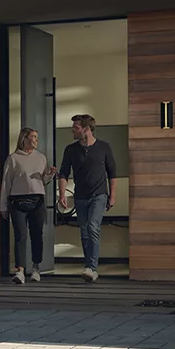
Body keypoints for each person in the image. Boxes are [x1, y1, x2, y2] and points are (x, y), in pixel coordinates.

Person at [57, 114, 117, 283]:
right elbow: (63, 172)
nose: (72, 130)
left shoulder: (104, 147)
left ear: (86, 129)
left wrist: (112, 196)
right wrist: (62, 194)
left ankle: (92, 267)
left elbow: (112, 173)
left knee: (92, 226)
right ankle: (89, 266)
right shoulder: (71, 149)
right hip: (80, 196)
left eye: (75, 128)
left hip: (99, 195)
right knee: (84, 231)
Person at [1, 128, 58, 284]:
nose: (35, 140)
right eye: (32, 137)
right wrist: (3, 206)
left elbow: (43, 181)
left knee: (36, 234)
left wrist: (50, 175)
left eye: (37, 137)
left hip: (37, 200)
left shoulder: (41, 158)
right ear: (23, 139)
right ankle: (20, 270)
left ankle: (36, 268)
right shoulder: (13, 158)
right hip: (17, 201)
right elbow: (6, 183)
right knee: (20, 235)